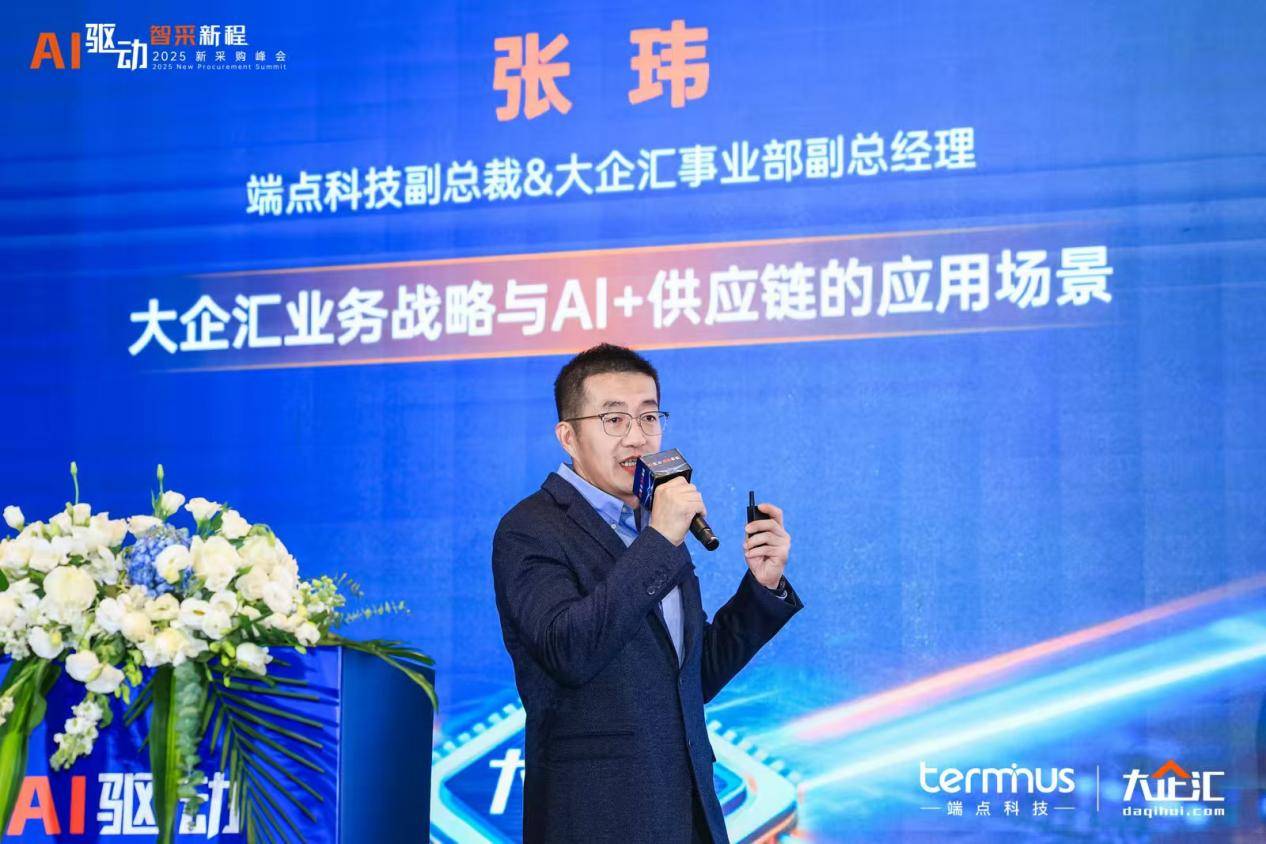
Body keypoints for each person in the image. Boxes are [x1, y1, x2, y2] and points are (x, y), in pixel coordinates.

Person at [492, 343, 803, 843]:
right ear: (568, 437)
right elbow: (569, 650)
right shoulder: (531, 528)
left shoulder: (651, 526)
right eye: (614, 420)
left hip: (687, 815)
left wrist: (761, 587)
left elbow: (689, 678)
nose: (637, 437)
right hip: (597, 820)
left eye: (649, 417)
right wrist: (660, 540)